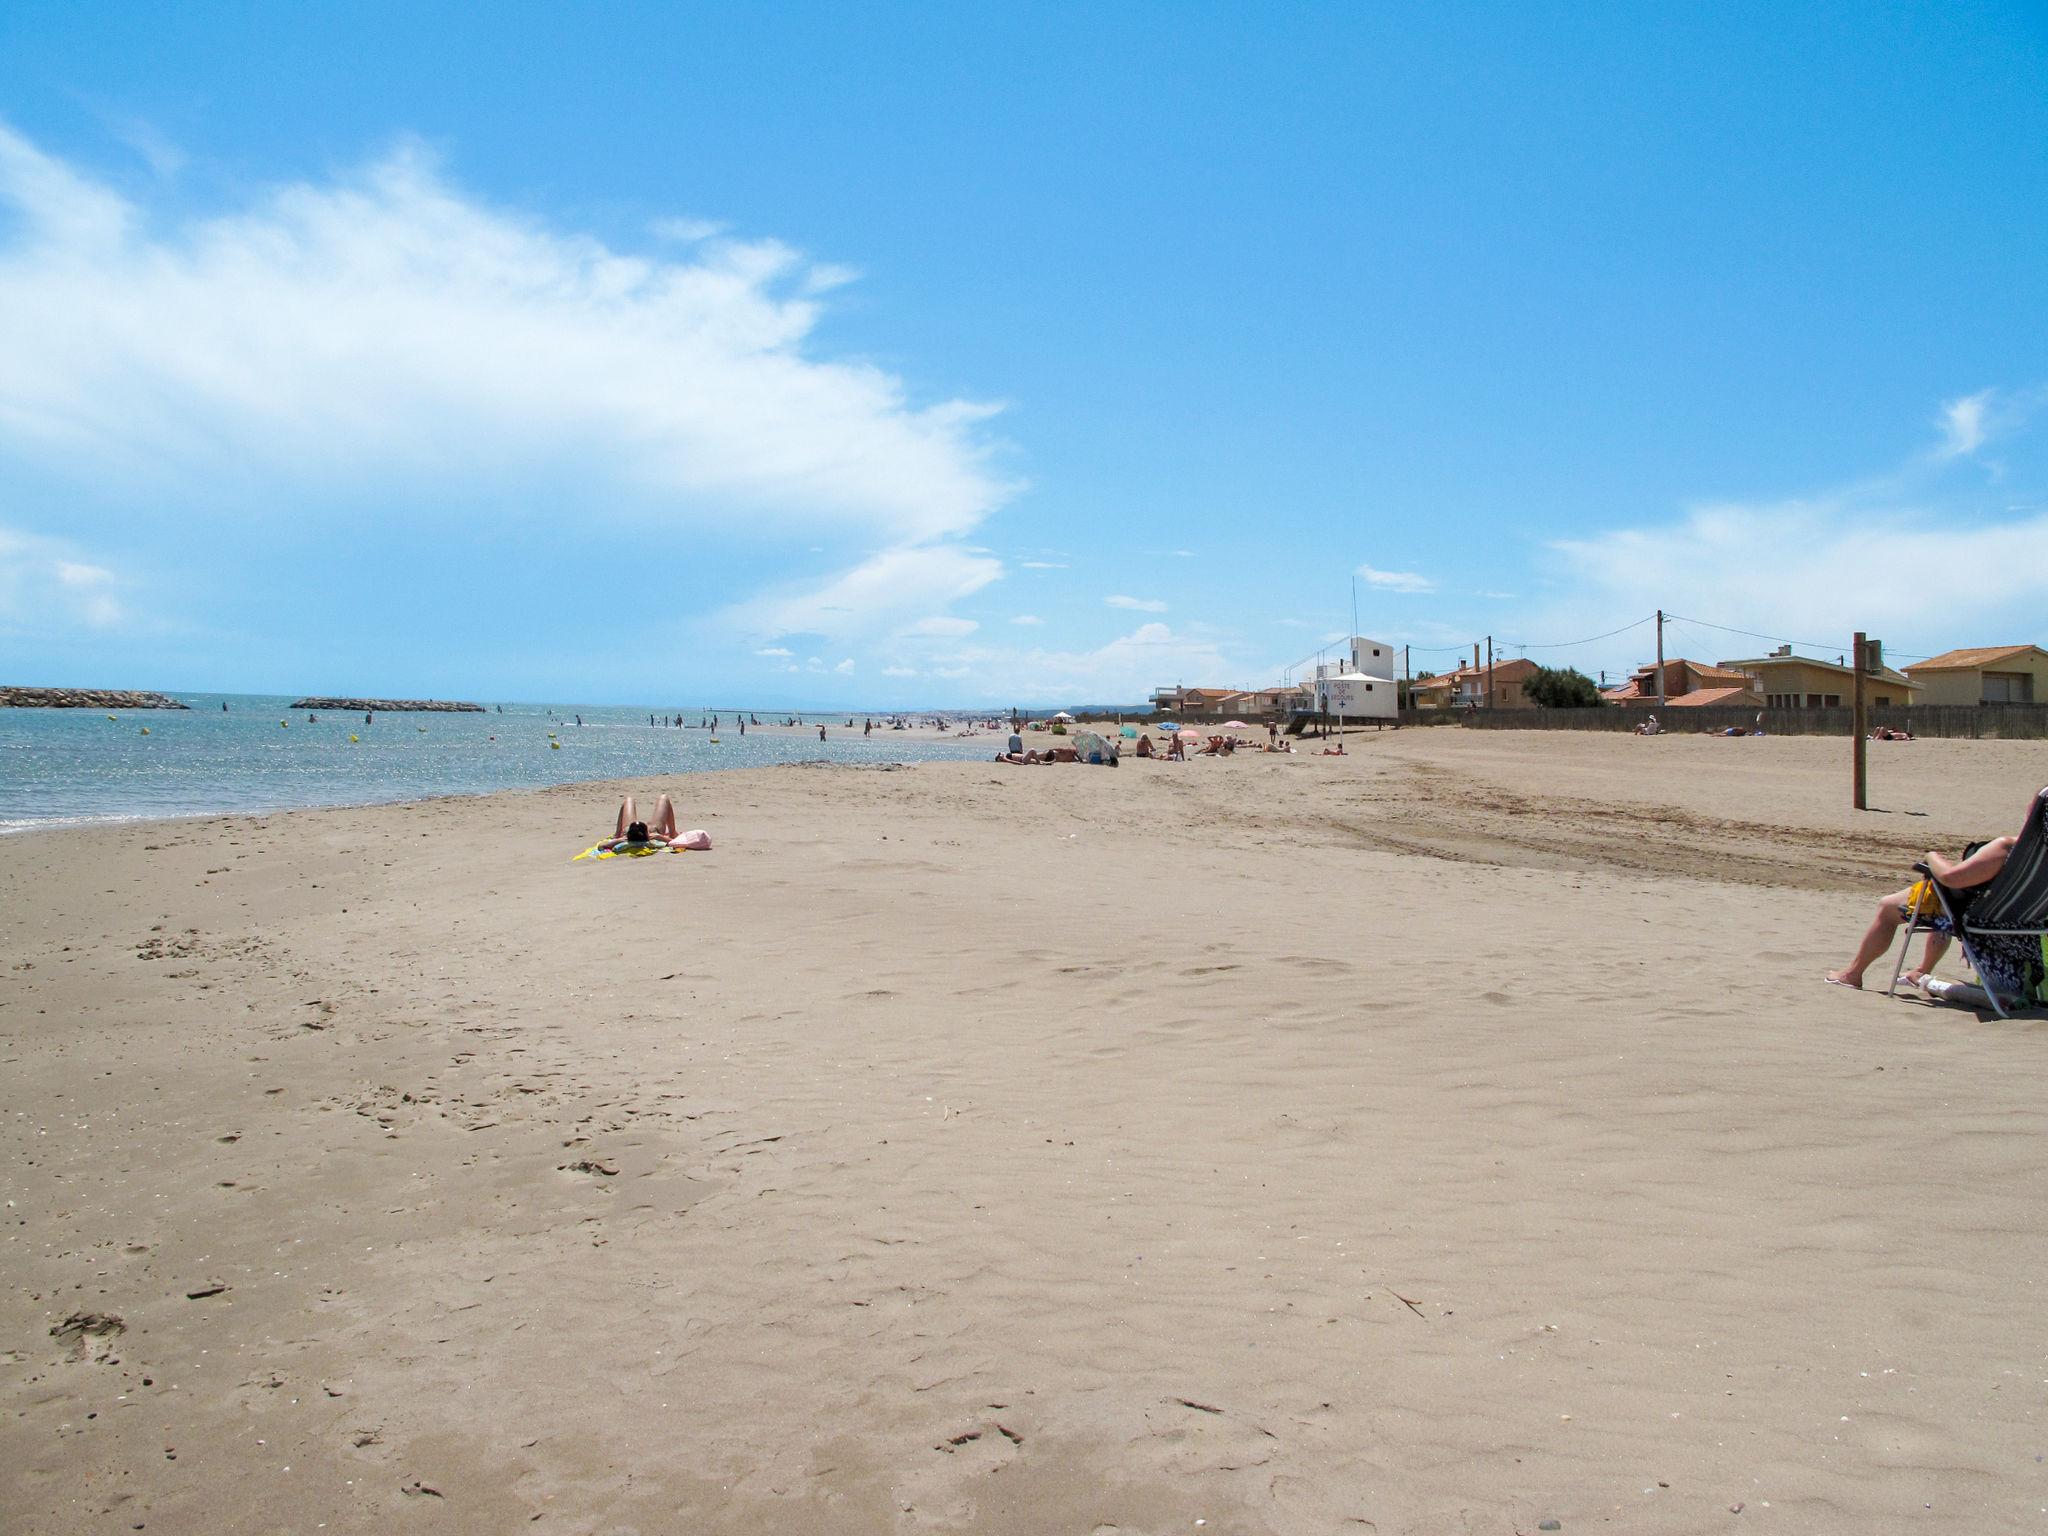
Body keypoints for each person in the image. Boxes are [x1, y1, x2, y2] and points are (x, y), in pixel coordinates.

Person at [1824, 809, 2029, 990]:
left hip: (1974, 915)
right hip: (2022, 920)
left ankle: (1853, 974)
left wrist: (1932, 857)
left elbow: (1952, 878)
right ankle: (1922, 970)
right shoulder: (2038, 857)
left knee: (1889, 907)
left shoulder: (2008, 847)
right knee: (1944, 899)